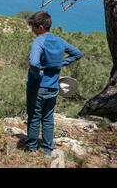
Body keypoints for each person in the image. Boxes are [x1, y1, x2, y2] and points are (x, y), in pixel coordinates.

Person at [25, 11, 83, 156]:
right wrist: (60, 63)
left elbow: (33, 62)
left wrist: (38, 74)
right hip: (53, 87)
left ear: (40, 27)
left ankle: (32, 148)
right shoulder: (60, 41)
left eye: (33, 27)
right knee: (48, 118)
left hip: (37, 87)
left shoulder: (39, 41)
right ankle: (48, 149)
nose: (32, 30)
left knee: (34, 117)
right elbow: (77, 53)